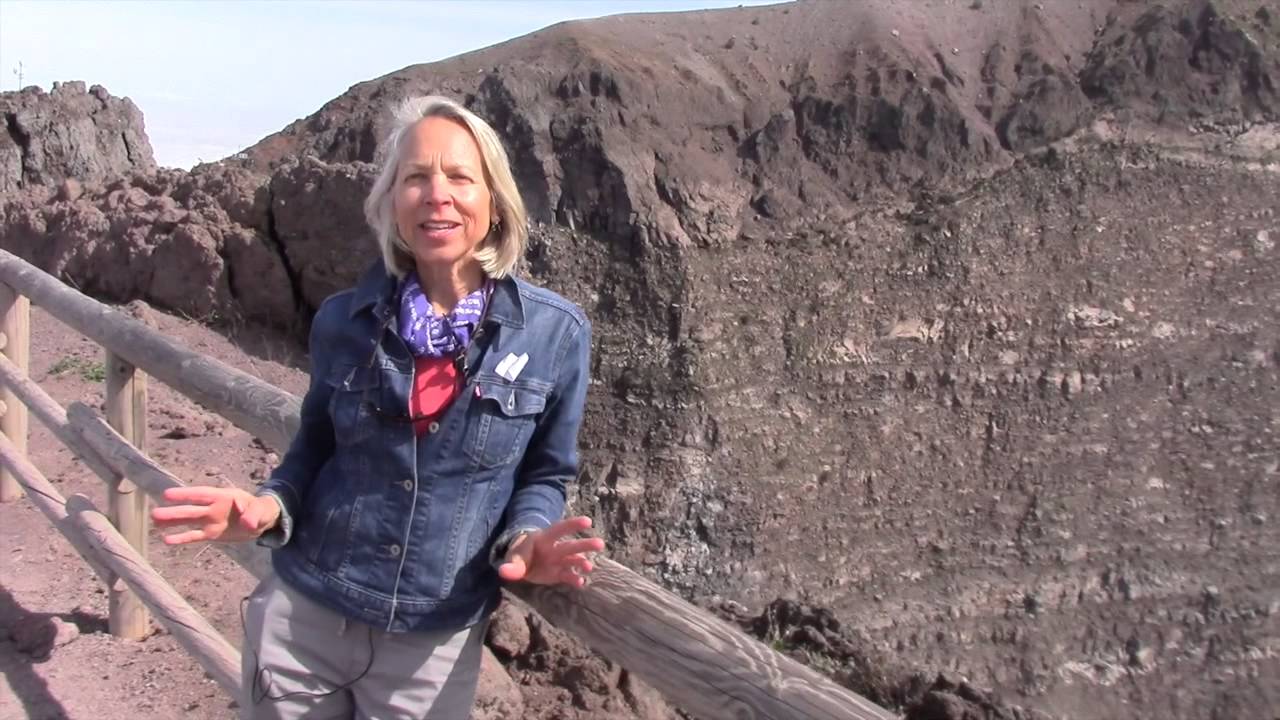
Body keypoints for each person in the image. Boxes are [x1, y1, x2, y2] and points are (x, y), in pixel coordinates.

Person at [151, 95, 604, 720]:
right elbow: (314, 448)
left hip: (430, 646)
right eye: (416, 177)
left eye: (460, 177)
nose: (437, 195)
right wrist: (269, 505)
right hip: (303, 621)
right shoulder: (344, 319)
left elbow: (545, 474)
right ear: (392, 202)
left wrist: (526, 538)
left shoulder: (555, 334)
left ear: (494, 202)